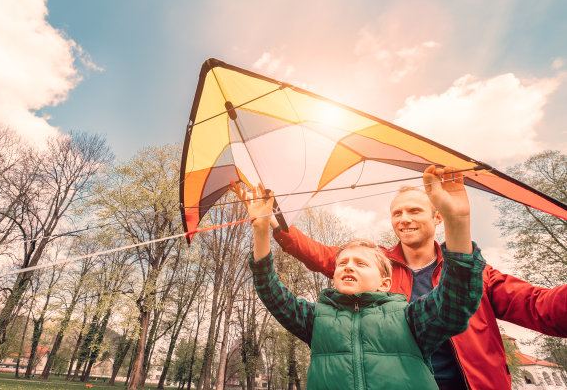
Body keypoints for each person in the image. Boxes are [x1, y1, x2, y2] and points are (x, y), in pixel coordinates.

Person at [253, 169, 567, 389]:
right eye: (397, 213)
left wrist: (462, 228)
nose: (404, 219)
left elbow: (539, 306)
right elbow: (319, 255)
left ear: (438, 216)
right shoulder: (376, 266)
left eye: (415, 211)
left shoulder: (470, 271)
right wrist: (275, 226)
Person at [235, 166, 486, 390]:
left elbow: (455, 300)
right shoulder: (315, 319)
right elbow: (271, 292)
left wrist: (457, 221)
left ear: (385, 283)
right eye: (342, 263)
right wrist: (261, 230)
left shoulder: (410, 319)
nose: (348, 267)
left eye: (361, 263)